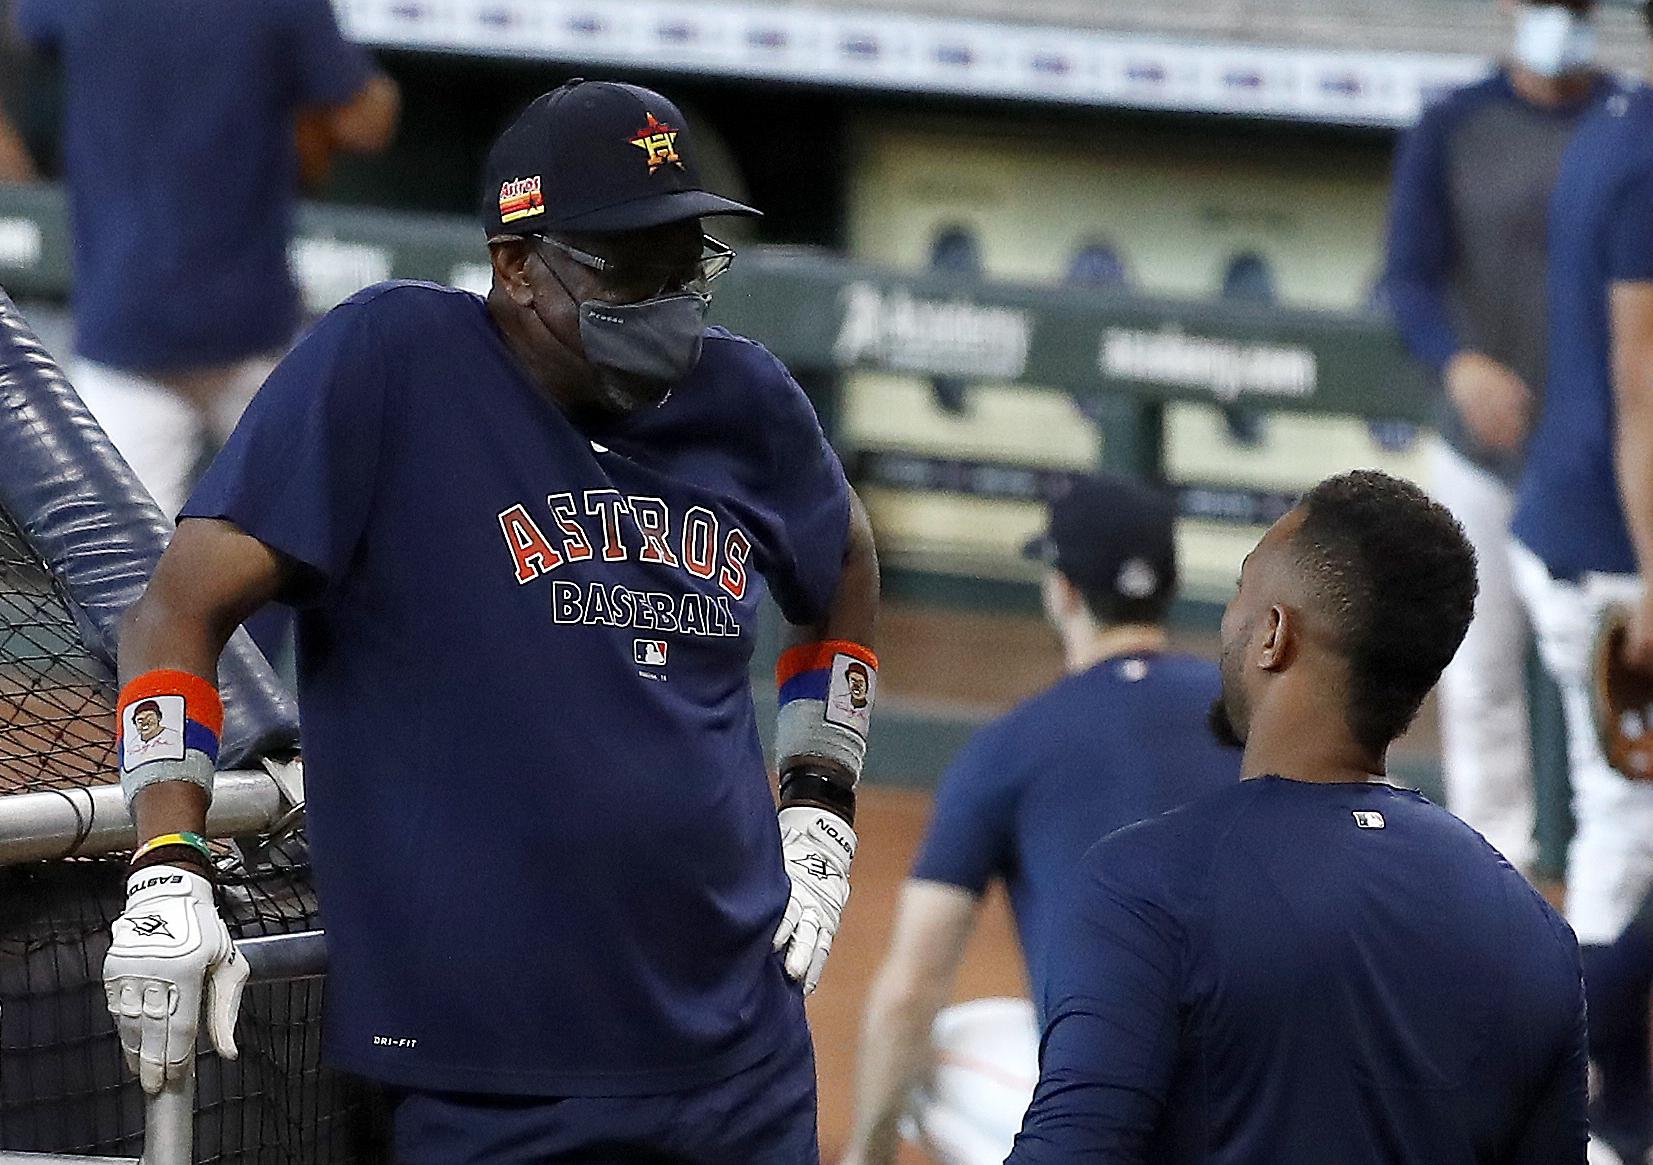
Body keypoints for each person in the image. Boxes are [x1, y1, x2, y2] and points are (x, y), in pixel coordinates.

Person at [100, 79, 880, 1164]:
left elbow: (843, 562)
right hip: (483, 1074)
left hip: (739, 1057)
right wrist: (168, 858)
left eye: (683, 262)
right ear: (516, 263)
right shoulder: (395, 362)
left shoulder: (744, 400)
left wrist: (822, 801)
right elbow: (174, 612)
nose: (665, 296)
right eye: (624, 267)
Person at [1008, 469, 1587, 1164]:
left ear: (1272, 635)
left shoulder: (1143, 891)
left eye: (1239, 593)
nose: (1228, 621)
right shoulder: (1532, 931)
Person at [839, 473, 1240, 1165]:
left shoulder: (1010, 745)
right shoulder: (1254, 717)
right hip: (1271, 1106)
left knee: (932, 1051)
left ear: (1064, 591)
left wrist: (864, 1155)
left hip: (1113, 1129)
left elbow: (910, 989)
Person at [9, 0, 399, 518]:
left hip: (134, 324)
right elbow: (368, 120)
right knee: (313, 544)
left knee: (126, 574)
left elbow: (26, 24)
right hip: (243, 333)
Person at [1383, 0, 1610, 873]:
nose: (1560, 20)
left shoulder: (1628, 127)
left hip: (1598, 460)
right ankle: (1491, 873)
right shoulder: (1453, 123)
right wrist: (1457, 361)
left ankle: (1608, 893)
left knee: (1601, 679)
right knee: (1477, 674)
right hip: (1480, 450)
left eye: (1579, 7)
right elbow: (1405, 280)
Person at [1508, 4, 1653, 1155]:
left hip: (1589, 528)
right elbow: (1641, 385)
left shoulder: (1618, 120)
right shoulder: (1644, 151)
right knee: (1624, 832)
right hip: (1613, 552)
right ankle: (1590, 1118)